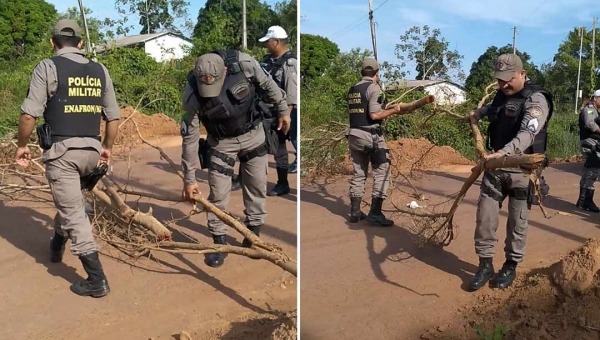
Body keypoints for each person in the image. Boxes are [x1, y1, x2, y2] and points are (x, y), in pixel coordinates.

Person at [14, 19, 120, 298]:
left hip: (63, 155)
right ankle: (57, 243)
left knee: (74, 214)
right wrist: (106, 148)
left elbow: (28, 115)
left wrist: (21, 145)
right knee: (72, 201)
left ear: (53, 42)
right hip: (91, 152)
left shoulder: (47, 67)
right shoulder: (100, 70)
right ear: (81, 44)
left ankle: (96, 279)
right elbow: (113, 117)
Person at [180, 50, 290, 268]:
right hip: (221, 143)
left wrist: (283, 110)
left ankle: (251, 236)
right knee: (218, 195)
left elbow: (269, 85)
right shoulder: (192, 92)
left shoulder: (244, 64)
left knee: (256, 187)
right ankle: (219, 243)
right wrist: (189, 179)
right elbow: (190, 138)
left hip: (253, 135)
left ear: (226, 71)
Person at [466, 54, 553, 291]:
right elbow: (496, 110)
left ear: (522, 74)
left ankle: (510, 265)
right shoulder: (501, 96)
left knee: (517, 223)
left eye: (508, 80)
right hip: (495, 169)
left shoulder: (536, 100)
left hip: (521, 171)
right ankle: (485, 265)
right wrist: (479, 113)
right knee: (484, 218)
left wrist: (505, 152)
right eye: (500, 80)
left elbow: (528, 133)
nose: (504, 85)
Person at [346, 58, 404, 227]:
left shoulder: (352, 89)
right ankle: (376, 213)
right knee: (382, 171)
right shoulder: (374, 88)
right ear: (377, 73)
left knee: (359, 173)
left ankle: (355, 212)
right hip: (371, 136)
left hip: (354, 136)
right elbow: (374, 115)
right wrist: (394, 110)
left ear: (362, 72)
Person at [258, 25, 298, 196]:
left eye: (268, 41)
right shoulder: (267, 60)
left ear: (276, 42)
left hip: (279, 112)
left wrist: (285, 116)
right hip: (261, 110)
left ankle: (283, 183)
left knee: (279, 148)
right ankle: (246, 179)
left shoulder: (290, 63)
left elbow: (291, 94)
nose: (266, 44)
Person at [576, 90, 600, 213]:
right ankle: (588, 201)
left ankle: (582, 200)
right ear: (595, 98)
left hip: (592, 144)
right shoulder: (589, 109)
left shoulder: (594, 110)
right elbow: (590, 124)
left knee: (587, 172)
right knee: (593, 172)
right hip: (590, 146)